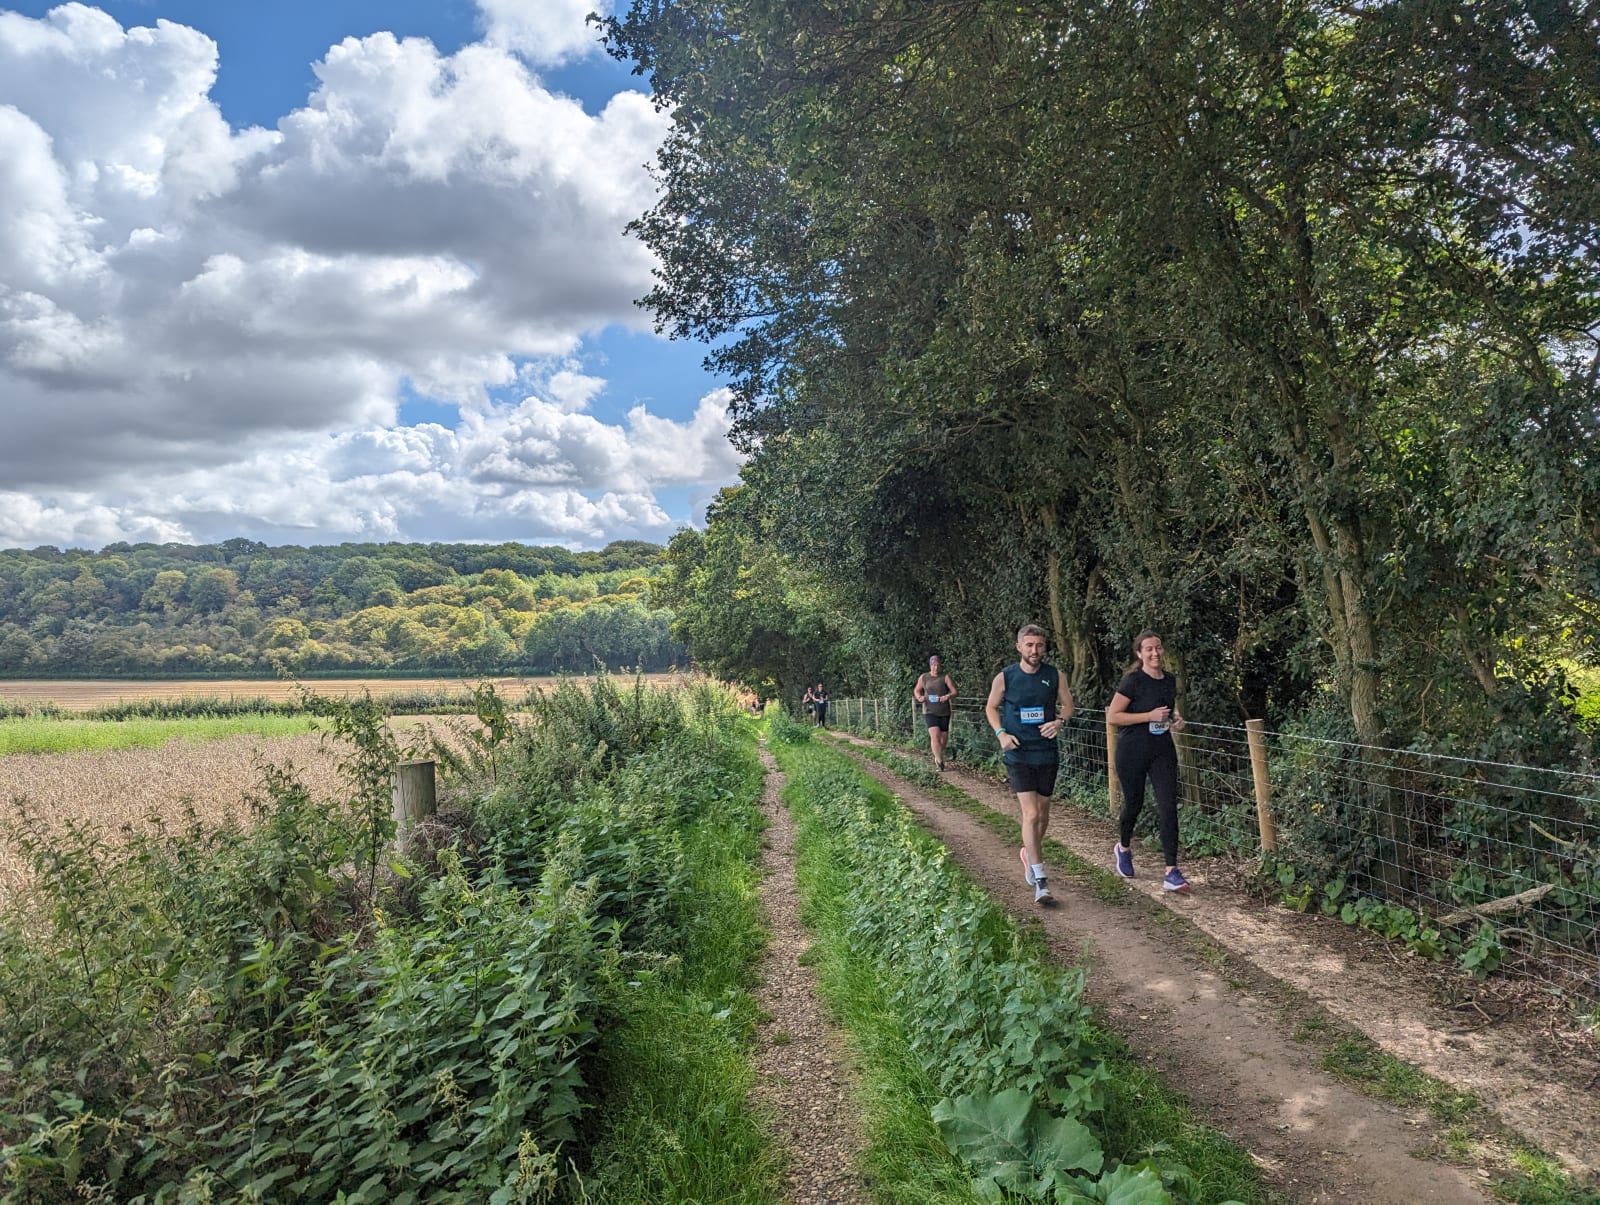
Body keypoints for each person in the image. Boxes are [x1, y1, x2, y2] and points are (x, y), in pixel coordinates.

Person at [985, 624, 1074, 905]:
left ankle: (1028, 852)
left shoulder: (1054, 675)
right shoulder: (1006, 677)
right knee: (1032, 814)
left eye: (1039, 645)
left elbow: (1068, 706)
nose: (1035, 650)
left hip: (1046, 752)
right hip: (1018, 753)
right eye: (1029, 645)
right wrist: (1001, 734)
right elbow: (990, 707)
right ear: (1019, 647)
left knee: (1043, 816)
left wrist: (1059, 722)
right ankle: (1041, 880)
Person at [1107, 630, 1190, 892]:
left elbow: (1168, 707)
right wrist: (1148, 716)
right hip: (1132, 750)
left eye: (1158, 648)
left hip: (1161, 750)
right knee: (1134, 803)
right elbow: (1113, 716)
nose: (1155, 653)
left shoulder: (1169, 680)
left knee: (1168, 807)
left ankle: (1171, 871)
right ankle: (1124, 847)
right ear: (1139, 653)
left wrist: (1175, 718)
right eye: (1149, 649)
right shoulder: (1133, 681)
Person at [913, 654, 956, 770]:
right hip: (930, 711)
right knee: (935, 736)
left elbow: (954, 691)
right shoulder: (924, 677)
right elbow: (917, 690)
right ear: (930, 665)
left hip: (944, 711)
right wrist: (919, 697)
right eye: (933, 665)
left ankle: (938, 754)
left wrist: (947, 696)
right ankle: (939, 761)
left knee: (943, 739)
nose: (936, 667)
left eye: (937, 665)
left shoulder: (945, 677)